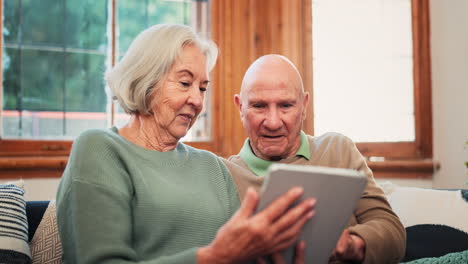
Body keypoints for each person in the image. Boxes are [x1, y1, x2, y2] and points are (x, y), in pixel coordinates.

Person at [56, 25, 316, 264]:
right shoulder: (100, 149)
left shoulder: (213, 167)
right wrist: (213, 257)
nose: (197, 100)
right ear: (146, 79)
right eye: (184, 83)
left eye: (202, 88)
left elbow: (242, 254)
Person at [224, 54, 406, 264]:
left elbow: (393, 232)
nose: (273, 122)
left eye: (285, 105)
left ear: (304, 105)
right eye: (259, 106)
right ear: (240, 107)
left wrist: (353, 245)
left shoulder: (338, 151)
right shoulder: (224, 174)